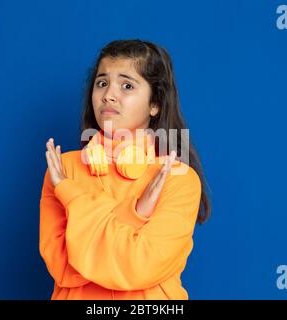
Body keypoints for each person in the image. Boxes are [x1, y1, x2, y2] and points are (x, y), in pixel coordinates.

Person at [40, 39, 211, 300]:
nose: (109, 94)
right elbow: (63, 267)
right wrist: (135, 214)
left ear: (155, 104)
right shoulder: (63, 168)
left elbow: (138, 267)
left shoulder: (179, 178)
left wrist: (73, 197)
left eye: (127, 85)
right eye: (102, 82)